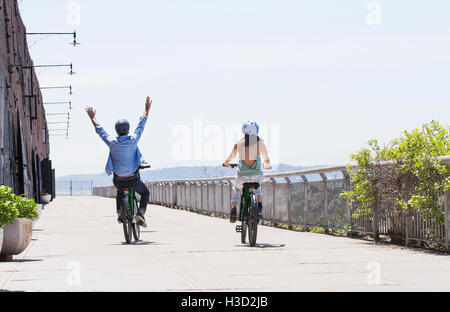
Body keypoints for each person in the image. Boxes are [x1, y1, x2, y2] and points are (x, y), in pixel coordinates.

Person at [85, 96, 152, 228]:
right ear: (128, 129)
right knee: (145, 193)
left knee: (120, 190)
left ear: (116, 130)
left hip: (118, 179)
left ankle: (119, 213)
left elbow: (99, 129)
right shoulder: (133, 140)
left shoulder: (111, 142)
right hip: (133, 178)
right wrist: (146, 108)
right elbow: (141, 123)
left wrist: (91, 116)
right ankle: (140, 213)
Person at [223, 121, 271, 223]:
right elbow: (266, 158)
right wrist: (267, 165)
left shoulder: (238, 144)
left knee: (236, 188)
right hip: (257, 175)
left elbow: (230, 157)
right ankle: (259, 204)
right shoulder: (260, 143)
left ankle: (233, 208)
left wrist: (226, 163)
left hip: (242, 176)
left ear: (243, 130)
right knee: (258, 184)